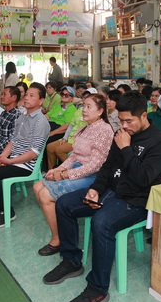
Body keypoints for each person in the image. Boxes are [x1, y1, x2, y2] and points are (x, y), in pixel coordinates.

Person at [42, 92, 161, 302]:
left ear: (144, 116)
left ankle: (97, 289)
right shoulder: (121, 135)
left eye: (129, 121)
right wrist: (95, 189)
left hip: (136, 200)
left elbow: (143, 179)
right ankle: (72, 260)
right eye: (121, 121)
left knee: (101, 223)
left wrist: (126, 148)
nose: (124, 126)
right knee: (64, 204)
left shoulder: (159, 142)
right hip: (111, 191)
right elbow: (107, 168)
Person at [33, 94, 114, 256]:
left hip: (94, 176)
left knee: (45, 194)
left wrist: (65, 175)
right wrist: (58, 169)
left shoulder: (104, 130)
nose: (84, 110)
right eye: (84, 106)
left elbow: (95, 165)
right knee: (37, 186)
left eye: (89, 107)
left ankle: (57, 240)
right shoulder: (85, 127)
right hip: (77, 169)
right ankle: (60, 231)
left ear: (100, 111)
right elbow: (74, 156)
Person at [0, 83, 50, 228]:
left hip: (26, 165)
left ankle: (8, 212)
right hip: (13, 160)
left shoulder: (41, 122)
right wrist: (2, 157)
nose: (26, 98)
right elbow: (13, 141)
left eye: (32, 96)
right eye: (26, 94)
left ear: (41, 101)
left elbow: (34, 153)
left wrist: (9, 161)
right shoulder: (22, 117)